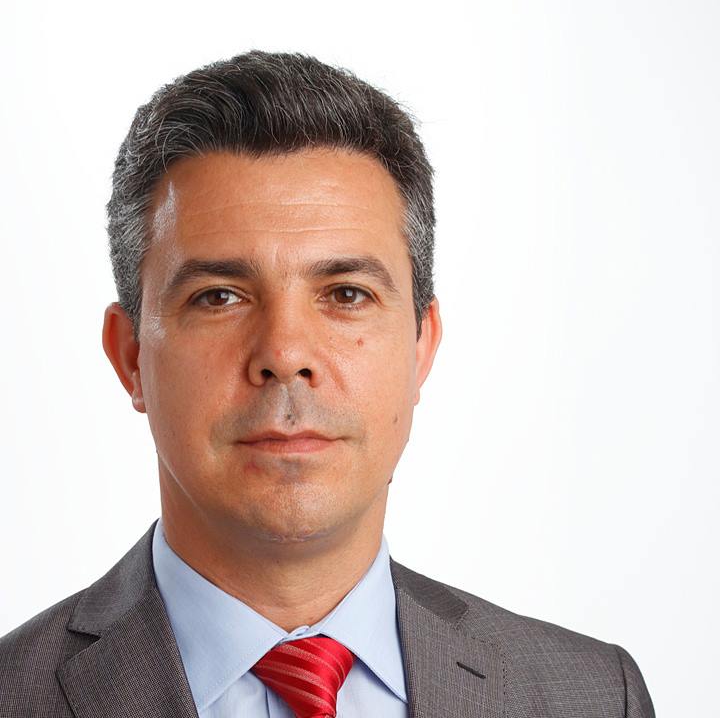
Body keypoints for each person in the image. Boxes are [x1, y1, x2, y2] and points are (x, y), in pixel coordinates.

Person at [0, 50, 655, 718]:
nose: (285, 354)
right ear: (131, 355)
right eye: (219, 296)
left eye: (346, 293)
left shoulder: (597, 698)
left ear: (422, 345)